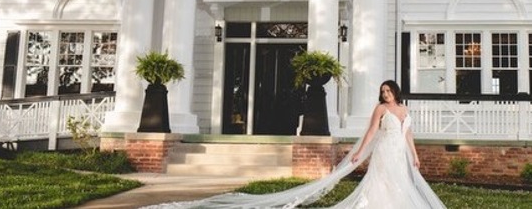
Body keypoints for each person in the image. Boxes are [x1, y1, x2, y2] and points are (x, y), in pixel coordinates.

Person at [143, 80, 446, 208]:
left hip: (400, 152)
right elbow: (369, 133)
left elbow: (408, 134)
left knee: (400, 180)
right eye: (382, 92)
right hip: (382, 151)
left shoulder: (405, 111)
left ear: (396, 92)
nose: (385, 95)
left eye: (387, 91)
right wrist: (357, 155)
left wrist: (416, 157)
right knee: (381, 181)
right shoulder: (380, 111)